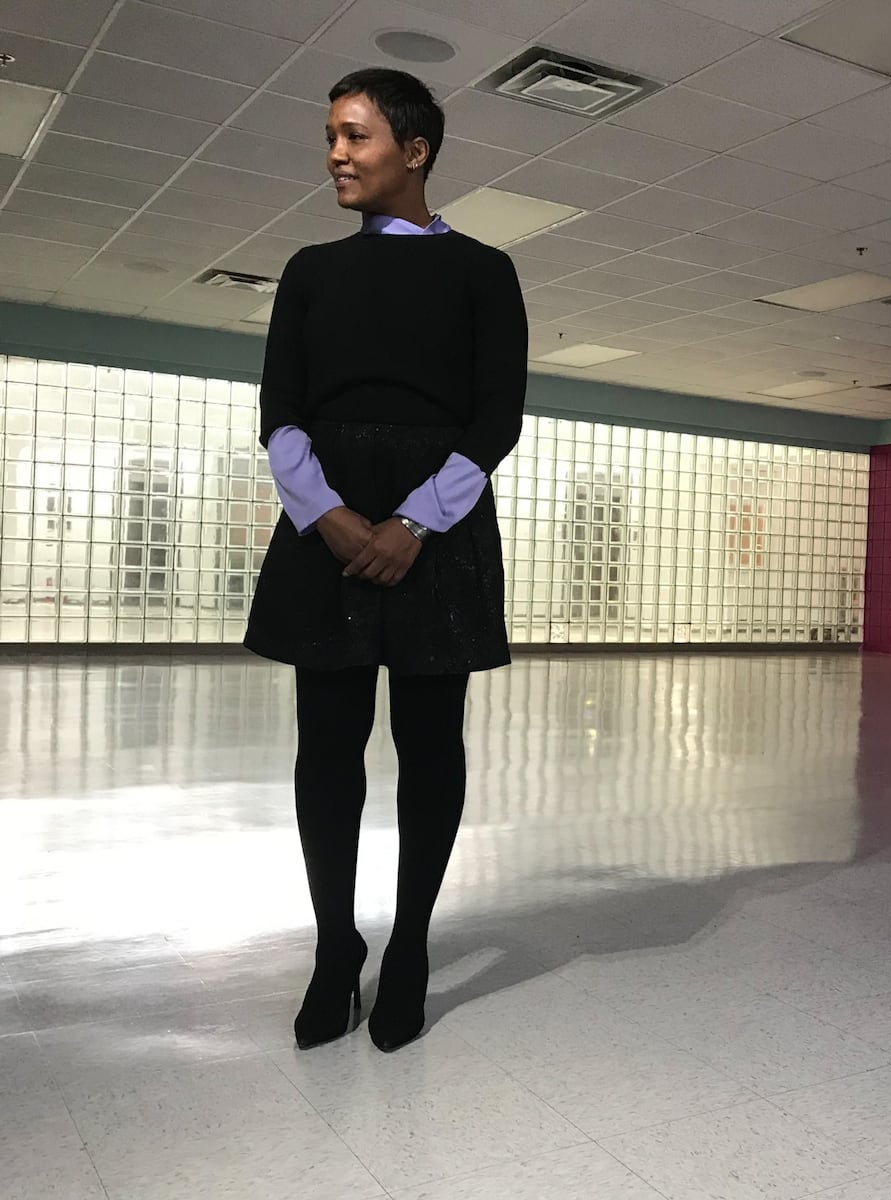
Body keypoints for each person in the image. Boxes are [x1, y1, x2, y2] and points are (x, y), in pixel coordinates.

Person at [243, 67, 528, 1052]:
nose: (335, 153)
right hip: (325, 515)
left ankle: (407, 946)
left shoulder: (485, 271)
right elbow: (280, 416)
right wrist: (326, 514)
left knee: (429, 746)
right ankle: (336, 950)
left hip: (435, 528)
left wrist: (413, 523)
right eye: (330, 134)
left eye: (355, 136)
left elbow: (495, 422)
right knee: (325, 747)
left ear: (414, 151)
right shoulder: (310, 269)